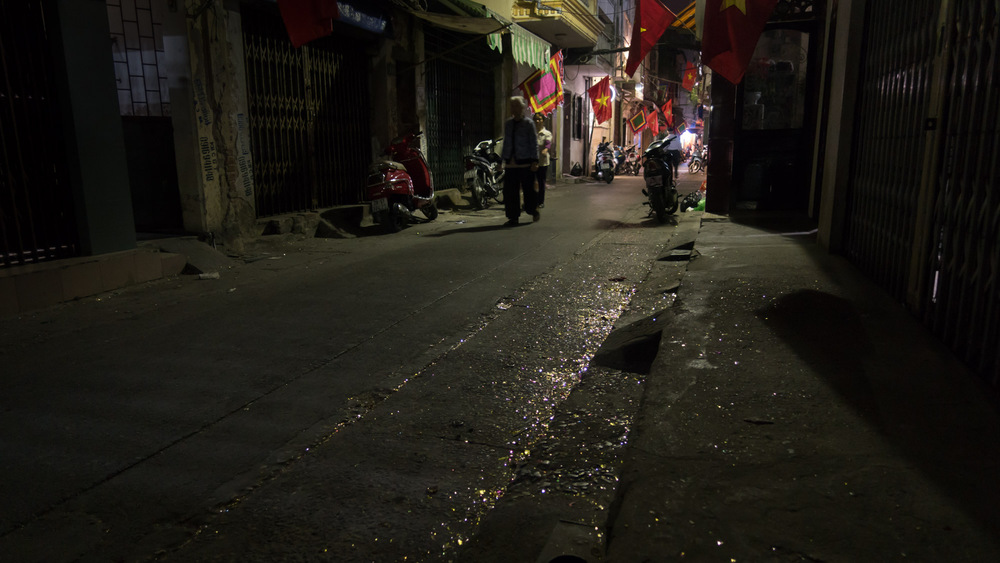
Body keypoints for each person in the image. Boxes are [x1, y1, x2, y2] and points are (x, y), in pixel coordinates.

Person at [500, 96, 540, 225]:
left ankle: (532, 209)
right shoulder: (508, 124)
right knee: (510, 191)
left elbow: (533, 142)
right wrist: (502, 160)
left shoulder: (528, 124)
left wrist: (535, 160)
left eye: (517, 105)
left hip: (525, 162)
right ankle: (513, 217)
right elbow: (506, 142)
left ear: (523, 107)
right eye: (512, 106)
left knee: (528, 190)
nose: (514, 108)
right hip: (511, 163)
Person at [533, 113, 553, 208]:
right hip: (532, 161)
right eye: (536, 119)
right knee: (531, 182)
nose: (537, 121)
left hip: (542, 161)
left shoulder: (547, 133)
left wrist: (545, 150)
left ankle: (540, 201)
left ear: (543, 121)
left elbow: (548, 144)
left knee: (541, 182)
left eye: (539, 119)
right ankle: (531, 201)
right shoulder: (531, 132)